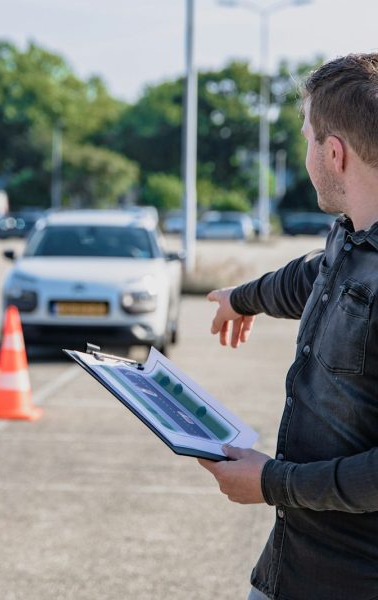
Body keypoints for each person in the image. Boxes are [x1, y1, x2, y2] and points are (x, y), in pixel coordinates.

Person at [198, 53, 378, 600]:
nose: (305, 157)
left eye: (306, 140)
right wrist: (243, 297)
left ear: (333, 152)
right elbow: (312, 277)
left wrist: (271, 482)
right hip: (293, 564)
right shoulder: (351, 236)